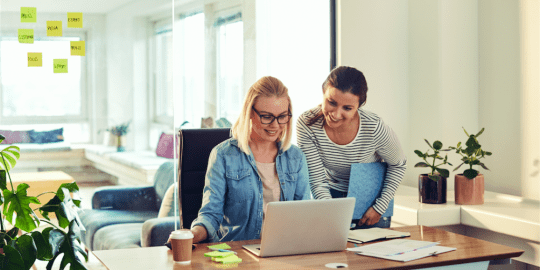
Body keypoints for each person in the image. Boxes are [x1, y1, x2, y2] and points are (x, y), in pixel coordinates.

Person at [186, 76, 311, 243]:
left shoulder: (295, 157)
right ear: (250, 113)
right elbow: (211, 214)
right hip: (237, 252)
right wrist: (192, 235)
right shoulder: (223, 155)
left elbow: (304, 213)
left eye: (282, 116)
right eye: (267, 116)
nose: (275, 125)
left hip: (283, 250)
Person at [297, 66, 406, 229]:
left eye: (347, 108)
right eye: (331, 102)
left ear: (359, 106)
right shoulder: (307, 124)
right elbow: (317, 180)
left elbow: (398, 164)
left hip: (372, 202)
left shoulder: (373, 127)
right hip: (329, 196)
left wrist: (379, 207)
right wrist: (331, 212)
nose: (335, 114)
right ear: (323, 92)